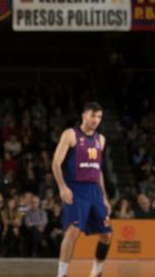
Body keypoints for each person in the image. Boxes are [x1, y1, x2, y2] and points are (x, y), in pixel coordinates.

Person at [52, 102, 111, 277]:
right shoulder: (70, 134)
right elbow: (55, 163)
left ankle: (96, 271)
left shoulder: (101, 139)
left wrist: (105, 197)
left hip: (94, 190)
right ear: (84, 115)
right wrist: (62, 187)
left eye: (99, 117)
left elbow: (98, 170)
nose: (96, 120)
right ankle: (62, 274)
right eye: (93, 115)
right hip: (76, 188)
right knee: (73, 232)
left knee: (106, 235)